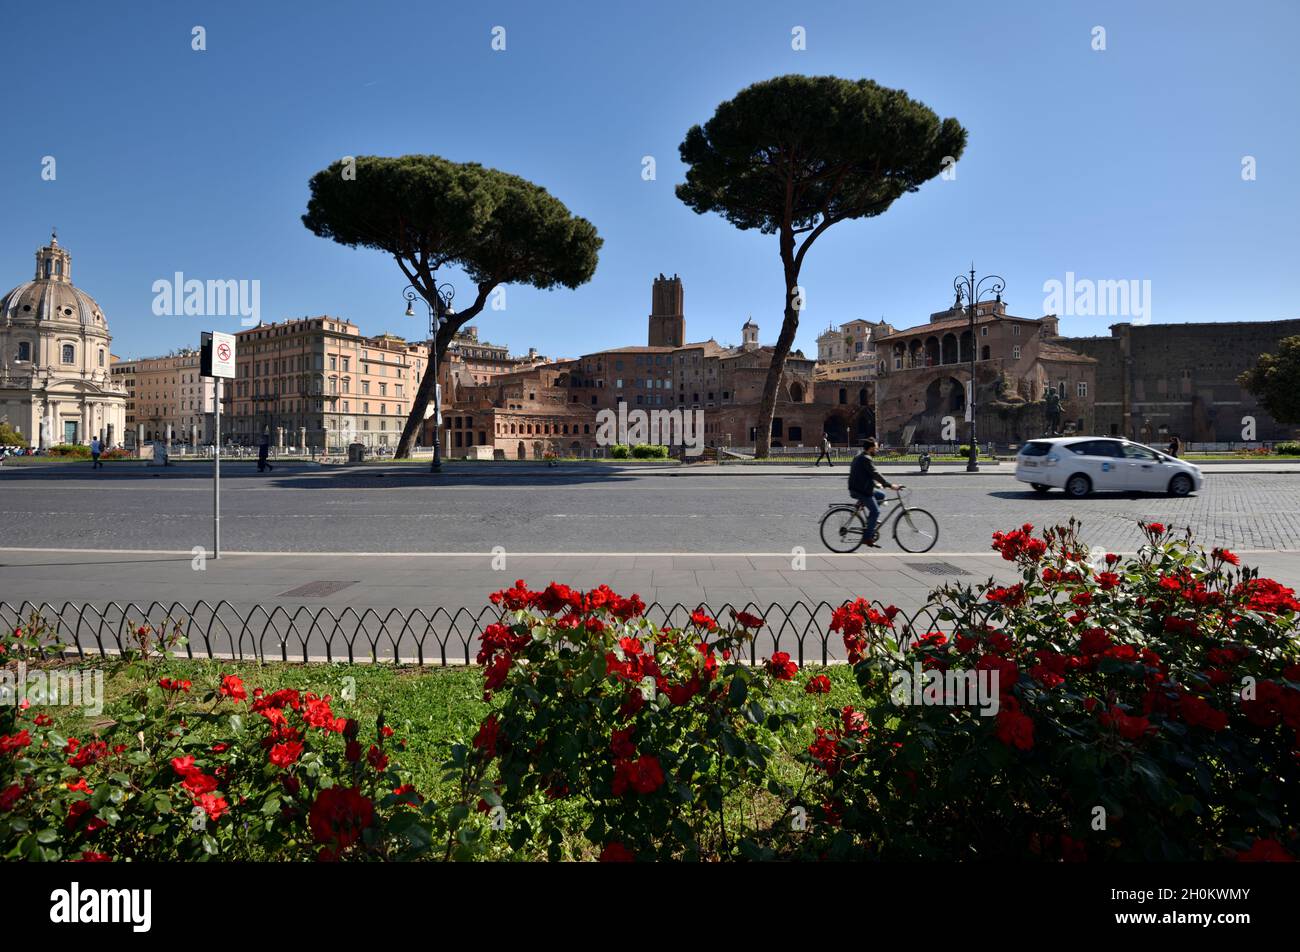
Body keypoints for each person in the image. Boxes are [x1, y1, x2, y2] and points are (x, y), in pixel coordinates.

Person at [848, 438, 900, 548]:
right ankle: (867, 538)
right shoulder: (866, 459)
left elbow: (865, 474)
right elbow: (875, 473)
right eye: (876, 448)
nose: (877, 450)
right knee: (876, 511)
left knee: (881, 495)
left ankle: (870, 519)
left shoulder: (860, 456)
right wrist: (890, 485)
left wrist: (875, 484)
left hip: (858, 487)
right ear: (871, 448)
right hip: (861, 490)